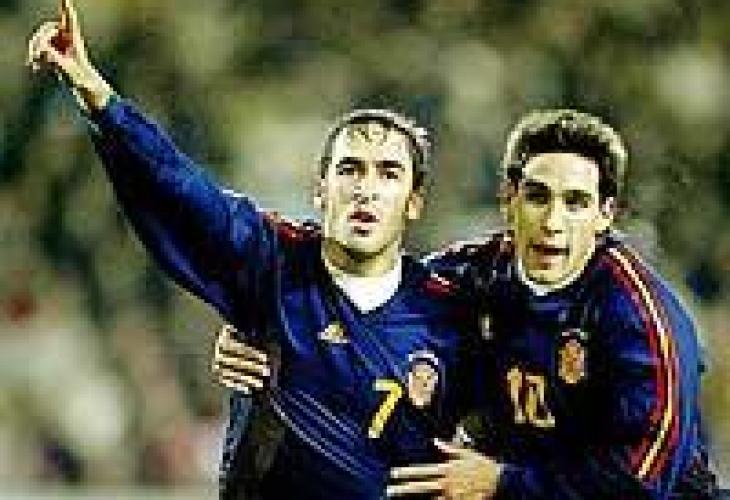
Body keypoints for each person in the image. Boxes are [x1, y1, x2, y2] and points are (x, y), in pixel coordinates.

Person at [27, 2, 486, 499]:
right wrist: (96, 94)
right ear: (321, 191)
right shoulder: (272, 262)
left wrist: (496, 475)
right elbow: (181, 189)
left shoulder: (451, 312)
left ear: (414, 202)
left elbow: (526, 411)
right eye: (350, 170)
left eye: (388, 173)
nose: (365, 190)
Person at [215, 110, 718, 498]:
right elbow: (373, 305)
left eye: (576, 202)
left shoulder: (639, 316)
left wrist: (503, 483)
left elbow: (641, 482)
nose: (553, 223)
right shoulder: (472, 276)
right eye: (537, 197)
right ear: (509, 200)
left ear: (606, 215)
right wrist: (265, 329)